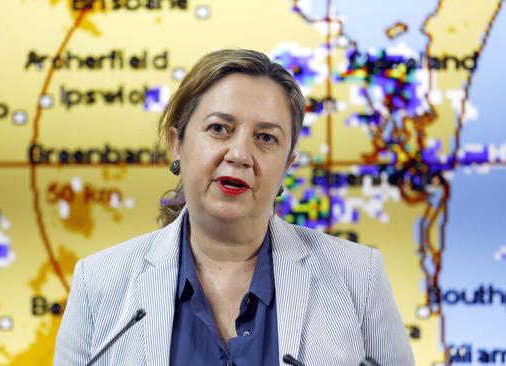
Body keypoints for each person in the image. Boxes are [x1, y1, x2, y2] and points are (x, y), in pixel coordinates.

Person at [54, 49, 414, 366]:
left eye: (265, 138)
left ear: (287, 163)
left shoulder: (357, 278)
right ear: (176, 144)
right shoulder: (98, 285)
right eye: (219, 129)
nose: (240, 154)